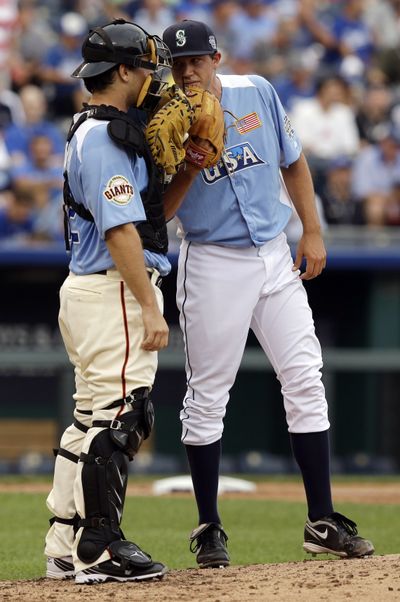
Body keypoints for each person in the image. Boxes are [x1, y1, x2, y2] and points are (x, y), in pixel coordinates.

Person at [161, 19, 375, 568]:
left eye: (197, 60)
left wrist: (314, 229)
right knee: (208, 395)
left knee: (305, 376)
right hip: (212, 260)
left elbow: (293, 161)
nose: (189, 70)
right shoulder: (160, 121)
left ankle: (321, 520)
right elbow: (154, 215)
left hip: (274, 254)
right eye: (178, 63)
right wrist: (188, 164)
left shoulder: (256, 90)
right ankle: (209, 526)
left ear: (217, 57)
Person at [44, 18, 172, 584]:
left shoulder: (94, 128)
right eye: (146, 67)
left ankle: (66, 542)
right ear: (122, 70)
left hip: (91, 289)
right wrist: (148, 305)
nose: (152, 78)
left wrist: (188, 166)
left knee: (90, 418)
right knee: (122, 415)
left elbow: (146, 218)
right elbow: (123, 234)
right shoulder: (104, 136)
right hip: (113, 289)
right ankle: (99, 547)